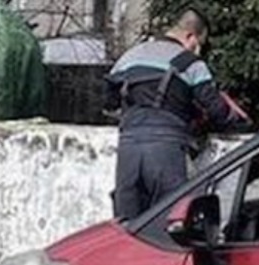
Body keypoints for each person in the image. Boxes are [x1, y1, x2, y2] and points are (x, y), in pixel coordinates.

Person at [105, 9, 250, 221]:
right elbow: (216, 110)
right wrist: (236, 119)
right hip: (166, 150)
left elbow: (109, 102)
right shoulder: (190, 63)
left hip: (128, 148)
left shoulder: (128, 57)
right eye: (199, 44)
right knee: (169, 221)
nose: (198, 51)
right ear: (190, 36)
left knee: (127, 224)